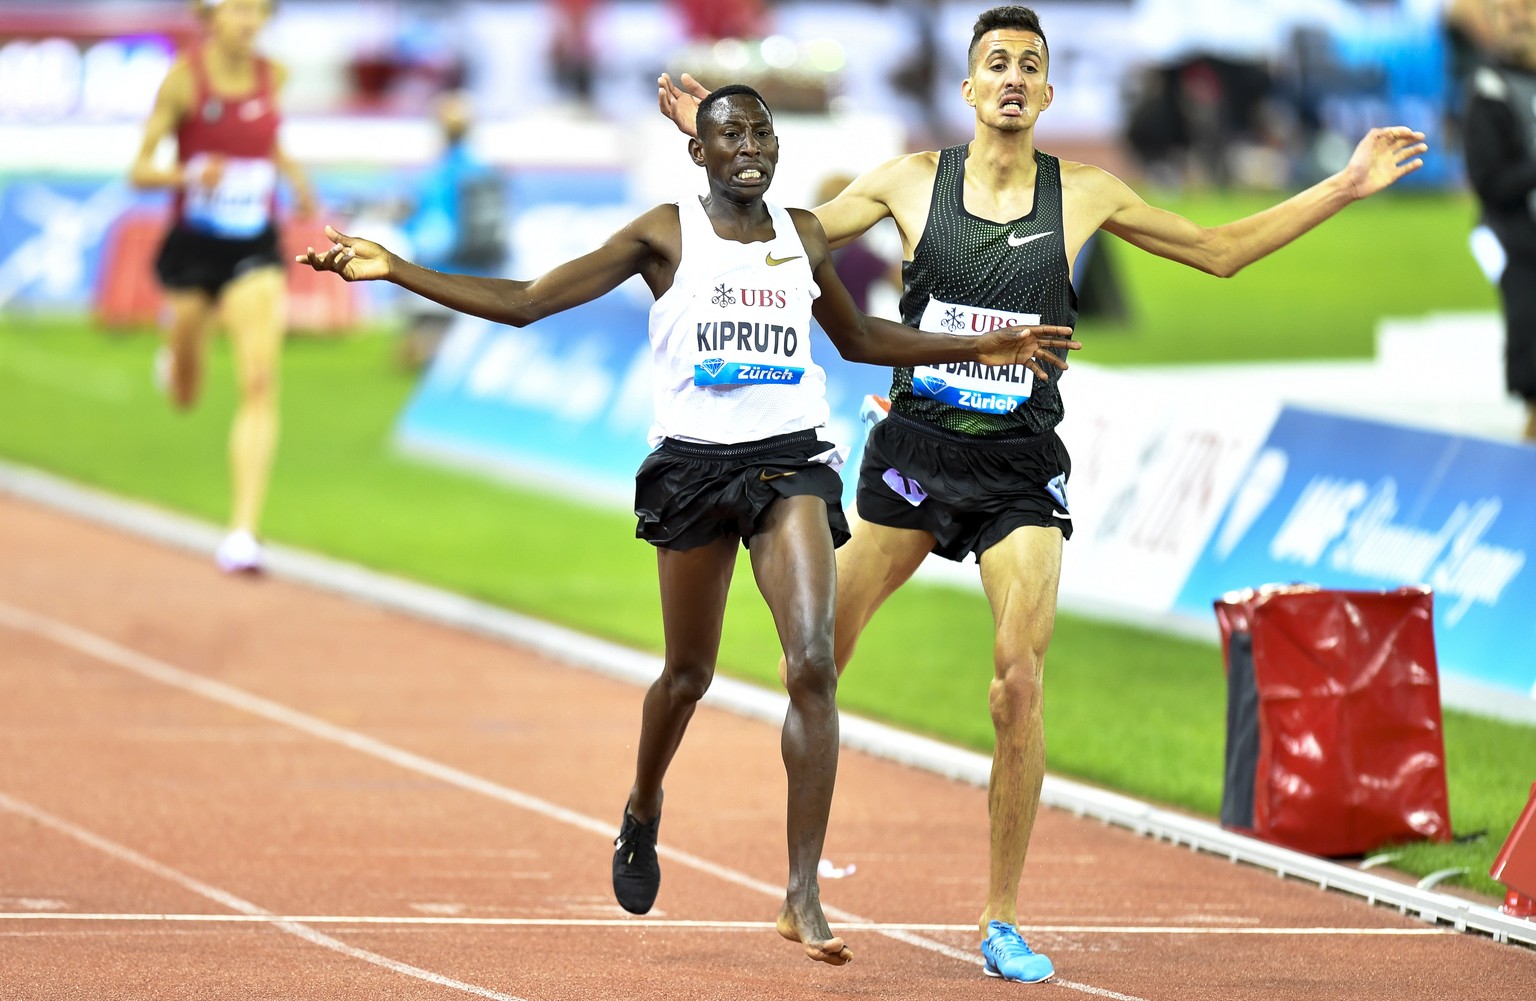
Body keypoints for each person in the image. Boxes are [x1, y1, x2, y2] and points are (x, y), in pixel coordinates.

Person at [658, 5, 1426, 984]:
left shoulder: (1086, 194)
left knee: (1018, 679)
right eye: (996, 64)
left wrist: (1348, 182)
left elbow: (1220, 249)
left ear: (1049, 93)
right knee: (814, 660)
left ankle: (1002, 915)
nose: (1013, 77)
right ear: (971, 90)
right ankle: (801, 875)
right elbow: (776, 240)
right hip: (911, 461)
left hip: (1020, 471)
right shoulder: (910, 180)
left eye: (1030, 64)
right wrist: (710, 150)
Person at [297, 84, 1079, 966]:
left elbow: (859, 339)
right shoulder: (662, 234)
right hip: (692, 467)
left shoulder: (804, 236)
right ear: (698, 151)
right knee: (687, 672)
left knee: (813, 663)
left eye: (762, 133)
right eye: (730, 135)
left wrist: (977, 346)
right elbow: (526, 302)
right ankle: (642, 803)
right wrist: (396, 267)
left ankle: (802, 893)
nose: (750, 147)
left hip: (791, 462)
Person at [129, 0, 316, 573]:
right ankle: (178, 343)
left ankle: (243, 532)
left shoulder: (274, 75)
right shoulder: (184, 82)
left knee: (259, 379)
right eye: (238, 10)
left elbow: (263, 139)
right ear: (210, 17)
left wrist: (296, 180)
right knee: (186, 392)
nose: (250, 22)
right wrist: (189, 172)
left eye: (259, 11)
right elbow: (140, 169)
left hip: (254, 243)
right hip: (194, 245)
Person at [1463, 0, 1536, 442]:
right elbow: (1490, 182)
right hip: (1516, 247)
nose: (1519, 19)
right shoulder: (1489, 87)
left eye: (1526, 8)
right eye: (1506, 12)